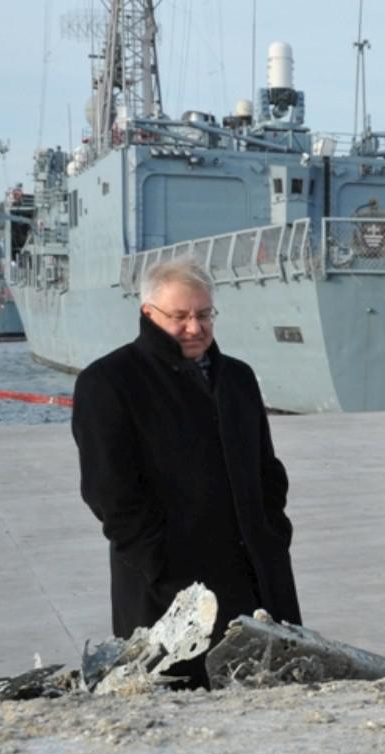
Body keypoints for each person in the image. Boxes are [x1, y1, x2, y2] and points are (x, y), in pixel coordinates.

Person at [71, 259, 301, 680]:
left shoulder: (238, 379)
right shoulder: (108, 383)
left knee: (268, 699)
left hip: (258, 582)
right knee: (178, 708)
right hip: (168, 591)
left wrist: (273, 532)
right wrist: (158, 564)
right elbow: (110, 494)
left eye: (203, 314)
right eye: (179, 317)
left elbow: (267, 469)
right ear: (148, 314)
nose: (194, 328)